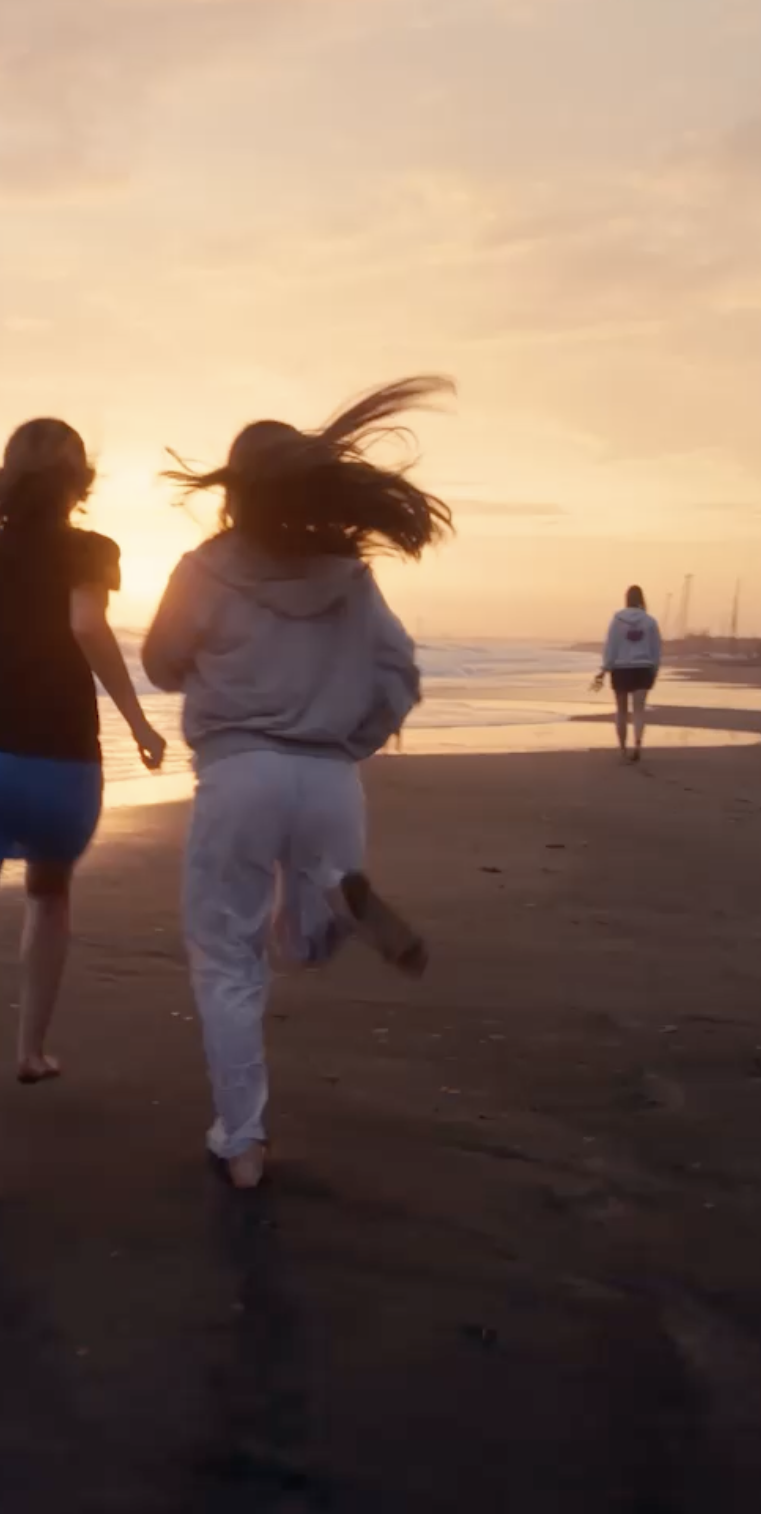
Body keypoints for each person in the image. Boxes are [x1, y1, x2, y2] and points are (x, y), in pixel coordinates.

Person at [142, 378, 451, 1192]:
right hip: (328, 776)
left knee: (227, 958)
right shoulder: (349, 575)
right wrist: (354, 738)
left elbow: (161, 662)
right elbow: (400, 672)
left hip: (239, 773)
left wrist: (204, 660)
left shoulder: (204, 568)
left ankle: (242, 1144)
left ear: (235, 491)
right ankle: (336, 902)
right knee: (306, 937)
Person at [0, 418, 167, 1221]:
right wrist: (137, 721)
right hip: (65, 772)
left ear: (6, 476)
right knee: (49, 895)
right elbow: (88, 624)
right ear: (79, 478)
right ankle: (30, 1050)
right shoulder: (92, 550)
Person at [590, 583, 663, 761]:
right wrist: (654, 668)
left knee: (621, 711)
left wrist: (605, 668)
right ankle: (637, 744)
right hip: (643, 667)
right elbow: (656, 648)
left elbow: (611, 645)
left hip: (621, 668)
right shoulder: (650, 621)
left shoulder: (617, 619)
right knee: (639, 710)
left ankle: (622, 748)